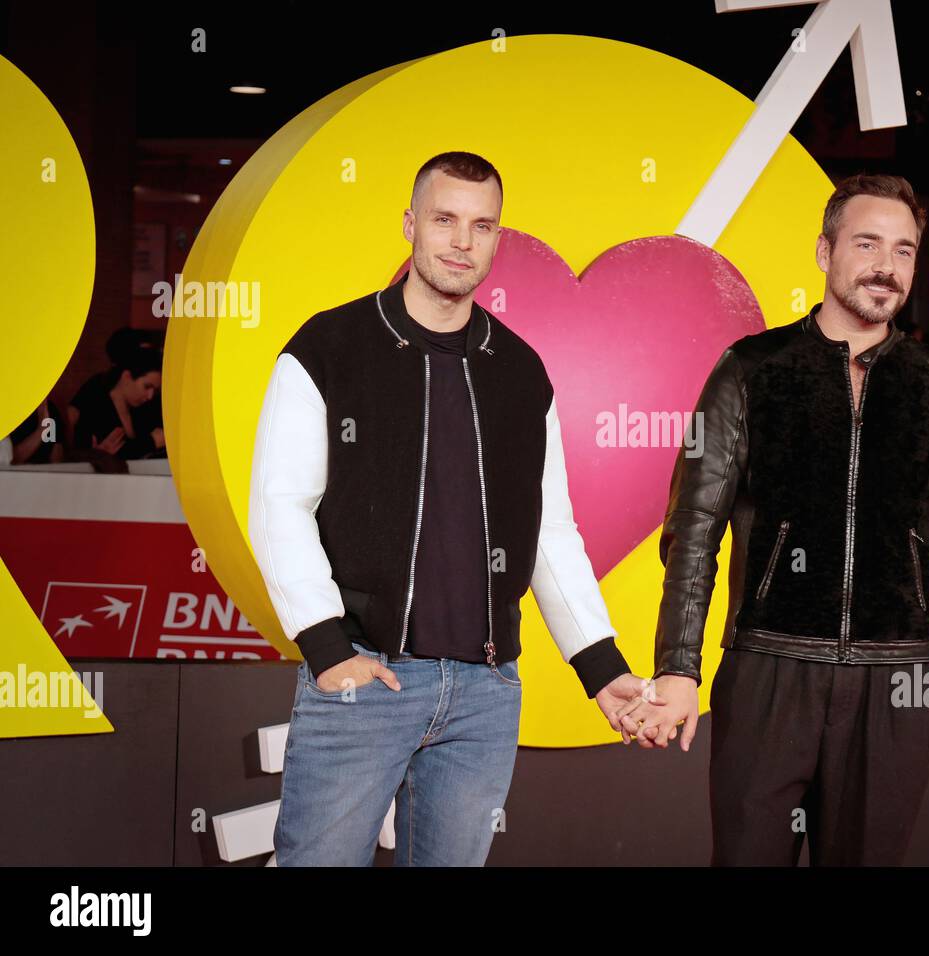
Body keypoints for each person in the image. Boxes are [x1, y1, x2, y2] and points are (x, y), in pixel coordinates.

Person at [249, 151, 650, 867]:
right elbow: (281, 504)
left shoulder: (522, 372)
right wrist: (328, 651)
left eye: (481, 225)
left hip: (485, 694)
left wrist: (600, 665)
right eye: (444, 220)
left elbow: (549, 531)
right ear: (411, 225)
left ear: (498, 238)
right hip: (366, 678)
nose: (462, 241)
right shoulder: (328, 347)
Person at [620, 173, 929, 865]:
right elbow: (693, 527)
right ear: (825, 252)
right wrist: (677, 666)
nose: (886, 266)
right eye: (867, 244)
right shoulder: (751, 369)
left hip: (898, 682)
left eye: (904, 250)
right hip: (769, 669)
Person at [67, 346, 165, 460]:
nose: (150, 395)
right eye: (147, 387)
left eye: (155, 390)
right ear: (126, 376)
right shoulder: (96, 398)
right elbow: (111, 452)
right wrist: (151, 442)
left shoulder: (145, 409)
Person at [6, 397, 67, 465]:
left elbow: (56, 460)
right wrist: (41, 430)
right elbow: (11, 459)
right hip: (16, 473)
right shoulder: (9, 410)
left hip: (44, 472)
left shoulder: (51, 409)